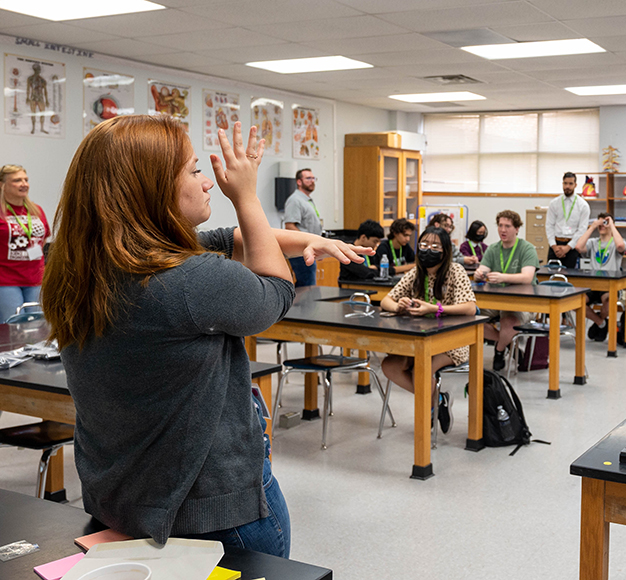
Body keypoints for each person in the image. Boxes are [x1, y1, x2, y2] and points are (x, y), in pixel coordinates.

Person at [41, 116, 371, 555]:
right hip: (214, 513)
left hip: (121, 501)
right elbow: (274, 292)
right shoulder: (187, 281)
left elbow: (223, 238)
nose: (207, 182)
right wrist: (247, 197)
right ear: (153, 188)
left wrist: (316, 240)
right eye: (195, 170)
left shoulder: (84, 270)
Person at [380, 227, 477, 434]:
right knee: (390, 366)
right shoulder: (416, 272)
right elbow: (386, 300)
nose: (427, 250)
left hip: (452, 340)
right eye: (423, 245)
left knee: (421, 369)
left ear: (445, 251)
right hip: (419, 338)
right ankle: (438, 399)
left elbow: (470, 308)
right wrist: (399, 306)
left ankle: (428, 411)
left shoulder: (455, 271)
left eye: (434, 247)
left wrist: (436, 309)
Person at [474, 210, 539, 371]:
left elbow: (527, 277)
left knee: (509, 323)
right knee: (469, 319)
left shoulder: (527, 248)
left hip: (520, 301)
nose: (503, 230)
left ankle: (499, 349)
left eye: (508, 226)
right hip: (495, 301)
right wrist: (478, 275)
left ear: (517, 229)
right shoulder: (493, 249)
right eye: (500, 226)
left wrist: (503, 277)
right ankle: (511, 345)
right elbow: (483, 269)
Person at [0, 165, 49, 322]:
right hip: (6, 280)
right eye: (17, 180)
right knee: (12, 326)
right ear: (3, 185)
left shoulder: (36, 210)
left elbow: (44, 237)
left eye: (26, 180)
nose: (24, 184)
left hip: (35, 278)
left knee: (37, 325)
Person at [575, 212, 626, 341]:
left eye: (604, 223)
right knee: (575, 303)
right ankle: (601, 323)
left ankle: (600, 322)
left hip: (609, 285)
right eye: (600, 223)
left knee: (609, 303)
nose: (601, 226)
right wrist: (592, 227)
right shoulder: (593, 242)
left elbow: (620, 246)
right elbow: (578, 247)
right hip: (592, 284)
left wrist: (612, 226)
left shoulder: (616, 242)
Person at [283, 168, 323, 287]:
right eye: (308, 178)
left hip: (309, 249)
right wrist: (307, 244)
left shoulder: (306, 200)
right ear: (299, 182)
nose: (312, 181)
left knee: (308, 285)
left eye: (313, 178)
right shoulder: (295, 200)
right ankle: (302, 306)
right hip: (301, 251)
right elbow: (289, 226)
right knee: (306, 286)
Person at [545, 172, 590, 268]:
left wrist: (568, 247)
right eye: (565, 183)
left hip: (572, 247)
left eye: (570, 184)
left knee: (570, 277)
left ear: (575, 185)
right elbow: (549, 225)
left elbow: (582, 229)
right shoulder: (554, 203)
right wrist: (554, 246)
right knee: (551, 277)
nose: (567, 186)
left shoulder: (583, 205)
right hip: (555, 245)